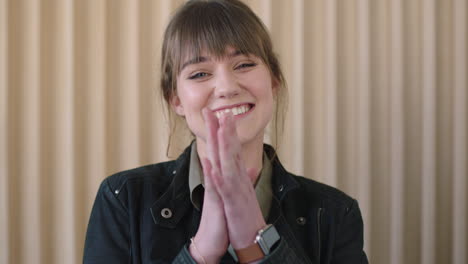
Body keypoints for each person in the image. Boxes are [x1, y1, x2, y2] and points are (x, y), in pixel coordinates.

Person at [83, 0, 368, 263]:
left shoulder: (334, 214)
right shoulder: (123, 198)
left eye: (244, 65)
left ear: (274, 80)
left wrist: (255, 240)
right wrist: (202, 250)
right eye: (199, 74)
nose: (227, 87)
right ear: (176, 99)